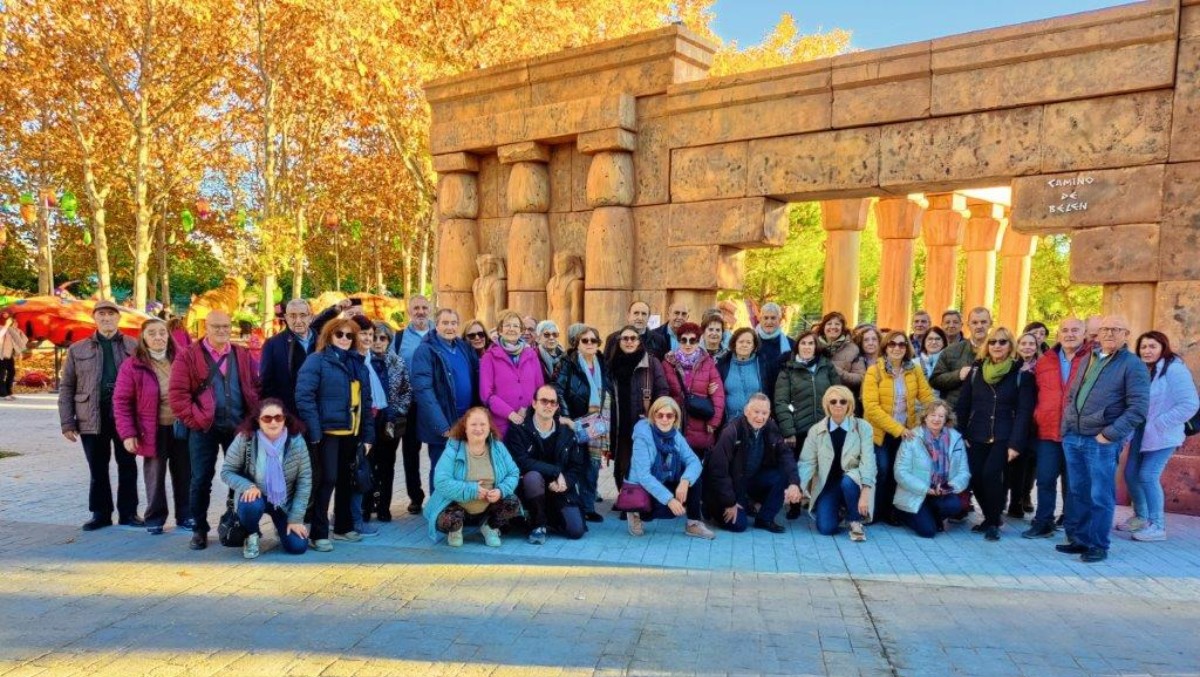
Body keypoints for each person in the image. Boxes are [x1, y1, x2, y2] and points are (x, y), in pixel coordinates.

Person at [1057, 315, 1149, 562]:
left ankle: (1098, 545)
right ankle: (1080, 539)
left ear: (1126, 334)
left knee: (1101, 495)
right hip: (1074, 436)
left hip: (1101, 441)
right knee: (1078, 492)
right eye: (1105, 329)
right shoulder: (1090, 357)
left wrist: (1110, 434)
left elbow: (1139, 408)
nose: (1108, 333)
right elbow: (1072, 394)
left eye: (1115, 329)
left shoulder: (1133, 365)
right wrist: (1066, 425)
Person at [169, 310, 261, 550]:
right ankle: (199, 528)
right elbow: (178, 396)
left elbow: (255, 387)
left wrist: (251, 419)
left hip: (237, 426)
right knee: (200, 479)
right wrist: (196, 420)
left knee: (243, 478)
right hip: (204, 428)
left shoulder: (241, 354)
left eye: (226, 326)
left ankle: (243, 523)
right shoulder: (188, 356)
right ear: (205, 328)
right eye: (216, 326)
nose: (222, 331)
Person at [59, 300, 142, 531]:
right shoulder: (78, 349)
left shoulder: (134, 346)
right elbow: (66, 386)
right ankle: (100, 514)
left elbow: (145, 384)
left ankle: (129, 513)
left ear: (118, 318)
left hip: (125, 416)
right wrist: (67, 422)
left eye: (111, 314)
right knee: (97, 467)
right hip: (90, 416)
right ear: (94, 319)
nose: (106, 318)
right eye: (101, 314)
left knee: (127, 464)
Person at [294, 317, 375, 551]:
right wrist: (315, 431)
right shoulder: (316, 361)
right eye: (340, 334)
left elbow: (365, 403)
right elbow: (304, 397)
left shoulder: (358, 364)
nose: (345, 339)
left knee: (346, 480)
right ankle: (318, 533)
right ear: (329, 335)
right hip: (327, 433)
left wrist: (368, 436)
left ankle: (343, 527)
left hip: (352, 432)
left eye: (350, 335)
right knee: (326, 480)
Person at [954, 327, 1036, 541]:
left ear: (1011, 345)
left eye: (1002, 342)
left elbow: (1024, 411)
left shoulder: (1021, 373)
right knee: (975, 476)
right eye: (993, 342)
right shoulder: (976, 371)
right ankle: (991, 517)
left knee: (991, 475)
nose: (997, 346)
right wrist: (960, 434)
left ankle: (992, 522)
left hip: (1004, 434)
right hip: (976, 433)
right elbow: (963, 405)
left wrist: (1016, 443)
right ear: (987, 346)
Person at [113, 318, 192, 535]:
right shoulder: (133, 365)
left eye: (162, 333)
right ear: (143, 338)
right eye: (152, 334)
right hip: (152, 429)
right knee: (154, 476)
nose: (158, 337)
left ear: (169, 335)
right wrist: (128, 433)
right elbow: (121, 401)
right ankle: (155, 518)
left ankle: (186, 516)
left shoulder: (182, 359)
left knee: (185, 474)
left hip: (181, 428)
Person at [1121, 331, 1199, 542]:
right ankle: (1141, 517)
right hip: (1140, 432)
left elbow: (1190, 404)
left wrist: (1159, 423)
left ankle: (1157, 526)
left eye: (1152, 346)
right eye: (1143, 347)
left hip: (1163, 434)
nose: (1147, 351)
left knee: (1147, 476)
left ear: (1162, 347)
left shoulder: (1174, 369)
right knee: (1130, 475)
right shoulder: (1144, 369)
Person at [1023, 318, 1089, 540]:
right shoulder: (1045, 361)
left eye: (1075, 330)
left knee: (1073, 483)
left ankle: (1071, 526)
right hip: (1048, 431)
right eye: (1065, 330)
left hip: (1077, 432)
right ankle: (1043, 522)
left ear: (1084, 333)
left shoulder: (1092, 359)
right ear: (1059, 334)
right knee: (1045, 479)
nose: (1069, 334)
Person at [220, 399, 312, 559]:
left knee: (298, 547)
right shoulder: (245, 438)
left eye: (278, 417)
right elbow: (227, 471)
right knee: (250, 505)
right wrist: (247, 486)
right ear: (258, 420)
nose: (273, 422)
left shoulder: (296, 441)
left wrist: (296, 518)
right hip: (256, 496)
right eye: (267, 418)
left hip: (283, 501)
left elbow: (305, 480)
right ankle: (252, 534)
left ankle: (281, 526)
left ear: (285, 419)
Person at [862, 329, 934, 525]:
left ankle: (894, 512)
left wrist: (937, 415)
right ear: (885, 347)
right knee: (883, 469)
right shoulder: (874, 371)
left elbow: (927, 397)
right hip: (881, 432)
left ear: (907, 348)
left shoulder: (914, 370)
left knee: (899, 471)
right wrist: (898, 429)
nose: (897, 348)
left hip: (906, 430)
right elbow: (871, 407)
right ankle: (876, 510)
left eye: (902, 344)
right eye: (892, 344)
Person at [704, 394, 802, 533]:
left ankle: (765, 518)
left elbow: (785, 454)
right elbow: (718, 471)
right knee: (738, 525)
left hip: (751, 479)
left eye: (764, 413)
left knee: (784, 475)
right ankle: (711, 507)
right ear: (746, 411)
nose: (760, 417)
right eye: (756, 412)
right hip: (731, 483)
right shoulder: (731, 431)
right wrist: (729, 502)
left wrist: (794, 483)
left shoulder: (770, 426)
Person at [504, 384, 589, 543]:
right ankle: (537, 524)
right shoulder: (519, 430)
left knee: (576, 531)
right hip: (530, 489)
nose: (548, 405)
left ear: (557, 406)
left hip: (559, 488)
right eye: (544, 401)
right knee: (533, 477)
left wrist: (566, 483)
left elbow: (576, 466)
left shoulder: (566, 432)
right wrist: (556, 471)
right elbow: (522, 461)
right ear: (534, 403)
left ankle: (551, 516)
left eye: (553, 402)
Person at [426, 407, 521, 547]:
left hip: (488, 506)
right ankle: (456, 530)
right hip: (458, 507)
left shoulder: (498, 447)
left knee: (513, 503)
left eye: (483, 424)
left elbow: (513, 473)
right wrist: (471, 490)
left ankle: (489, 527)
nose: (478, 428)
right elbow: (440, 481)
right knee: (446, 520)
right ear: (465, 427)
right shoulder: (453, 448)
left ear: (489, 427)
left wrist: (500, 490)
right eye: (473, 424)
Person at [621, 397, 713, 539]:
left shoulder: (675, 435)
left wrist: (685, 481)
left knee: (695, 478)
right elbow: (644, 477)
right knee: (665, 510)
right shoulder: (642, 436)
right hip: (642, 486)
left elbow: (694, 461)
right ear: (653, 416)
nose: (665, 419)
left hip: (664, 479)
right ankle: (635, 512)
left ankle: (693, 523)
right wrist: (670, 500)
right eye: (660, 415)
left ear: (675, 417)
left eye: (669, 415)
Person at [411, 308, 480, 494]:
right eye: (445, 323)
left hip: (464, 419)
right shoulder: (426, 351)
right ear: (437, 325)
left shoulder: (463, 347)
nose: (450, 327)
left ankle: (457, 508)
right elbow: (424, 391)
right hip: (443, 421)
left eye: (453, 323)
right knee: (442, 468)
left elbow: (476, 374)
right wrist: (442, 426)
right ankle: (439, 512)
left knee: (461, 467)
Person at [798, 386, 876, 541]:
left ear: (849, 404)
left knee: (847, 482)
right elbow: (806, 462)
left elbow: (869, 462)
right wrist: (799, 487)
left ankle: (855, 521)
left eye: (843, 401)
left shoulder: (863, 427)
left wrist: (866, 493)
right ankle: (841, 509)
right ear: (827, 405)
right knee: (826, 529)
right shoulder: (816, 430)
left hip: (854, 482)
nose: (838, 405)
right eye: (833, 401)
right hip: (828, 483)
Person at [555, 325, 613, 523]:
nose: (589, 344)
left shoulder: (602, 362)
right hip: (575, 422)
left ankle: (588, 507)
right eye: (585, 340)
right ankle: (573, 506)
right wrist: (566, 417)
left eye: (593, 340)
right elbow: (559, 390)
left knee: (592, 466)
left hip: (597, 424)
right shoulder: (568, 363)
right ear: (577, 343)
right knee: (575, 465)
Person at [893, 399, 971, 538]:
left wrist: (949, 487)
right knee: (928, 532)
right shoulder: (912, 437)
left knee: (954, 505)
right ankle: (904, 514)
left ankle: (930, 517)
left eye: (941, 416)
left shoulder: (956, 438)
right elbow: (900, 472)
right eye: (933, 415)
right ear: (925, 417)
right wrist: (926, 489)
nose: (936, 419)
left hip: (941, 490)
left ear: (946, 418)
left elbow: (964, 472)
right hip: (917, 492)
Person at [608, 325, 671, 492]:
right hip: (620, 421)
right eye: (625, 338)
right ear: (619, 341)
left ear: (639, 341)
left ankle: (640, 498)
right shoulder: (612, 363)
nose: (629, 341)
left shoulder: (651, 362)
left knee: (642, 460)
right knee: (622, 461)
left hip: (642, 420)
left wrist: (654, 415)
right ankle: (625, 497)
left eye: (633, 338)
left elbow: (662, 389)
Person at [361, 322, 412, 523]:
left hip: (389, 422)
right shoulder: (363, 361)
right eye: (374, 337)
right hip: (368, 421)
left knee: (387, 466)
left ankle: (384, 507)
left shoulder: (397, 362)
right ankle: (366, 507)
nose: (378, 342)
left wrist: (397, 410)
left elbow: (407, 390)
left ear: (389, 341)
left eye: (383, 338)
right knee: (366, 465)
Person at [393, 295, 433, 514]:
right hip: (410, 404)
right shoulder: (398, 339)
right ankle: (415, 497)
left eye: (424, 308)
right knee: (410, 452)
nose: (420, 311)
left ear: (430, 310)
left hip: (434, 403)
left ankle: (438, 494)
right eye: (416, 308)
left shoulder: (439, 334)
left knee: (438, 449)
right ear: (409, 311)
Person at [479, 310, 544, 438]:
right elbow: (486, 395)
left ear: (521, 331)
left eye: (515, 326)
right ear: (500, 330)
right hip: (502, 424)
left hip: (529, 421)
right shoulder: (489, 356)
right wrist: (510, 413)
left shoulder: (531, 354)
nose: (512, 329)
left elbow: (540, 388)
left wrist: (527, 408)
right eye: (507, 325)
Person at [1005, 332, 1043, 519]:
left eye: (1031, 344)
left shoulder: (1042, 367)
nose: (1027, 347)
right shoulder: (1011, 365)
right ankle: (1010, 500)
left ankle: (1020, 499)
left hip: (1035, 421)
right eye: (1024, 343)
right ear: (1017, 346)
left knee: (1028, 464)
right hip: (1014, 419)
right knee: (1013, 463)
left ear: (1036, 347)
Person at [259, 299, 315, 415]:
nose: (298, 321)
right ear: (286, 317)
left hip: (318, 413)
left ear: (310, 317)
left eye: (303, 315)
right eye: (293, 316)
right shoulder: (273, 344)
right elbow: (266, 384)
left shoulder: (323, 341)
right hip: (289, 414)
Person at [930, 307, 992, 407]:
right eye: (975, 323)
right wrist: (958, 375)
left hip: (986, 410)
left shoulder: (1000, 350)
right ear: (968, 325)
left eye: (983, 322)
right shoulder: (951, 350)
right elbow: (935, 380)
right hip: (956, 411)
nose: (979, 326)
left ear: (990, 324)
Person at [717, 328, 775, 424]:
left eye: (748, 342)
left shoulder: (762, 364)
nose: (744, 345)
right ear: (734, 344)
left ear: (754, 346)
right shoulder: (723, 364)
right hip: (730, 422)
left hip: (756, 422)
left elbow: (770, 392)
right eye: (741, 342)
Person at [816, 311, 863, 389]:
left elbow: (860, 377)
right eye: (829, 324)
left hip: (841, 396)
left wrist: (838, 372)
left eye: (837, 324)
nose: (833, 327)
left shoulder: (853, 349)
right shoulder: (813, 345)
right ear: (823, 327)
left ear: (842, 328)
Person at [0, 309, 28, 400]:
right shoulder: (2, 327)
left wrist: (19, 352)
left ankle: (8, 391)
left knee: (12, 373)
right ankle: (3, 393)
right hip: (1, 354)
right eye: (4, 314)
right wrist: (7, 325)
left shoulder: (11, 328)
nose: (6, 316)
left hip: (9, 354)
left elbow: (17, 341)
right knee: (2, 374)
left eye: (7, 314)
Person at [754, 302, 791, 369]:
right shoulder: (751, 342)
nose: (769, 322)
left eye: (773, 318)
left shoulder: (790, 344)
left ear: (779, 320)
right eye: (766, 318)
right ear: (760, 319)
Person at [534, 319, 566, 383]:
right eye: (546, 334)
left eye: (555, 334)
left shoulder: (565, 356)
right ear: (538, 338)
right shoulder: (534, 356)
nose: (551, 337)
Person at [918, 327, 949, 392]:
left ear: (944, 342)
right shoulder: (914, 363)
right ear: (924, 342)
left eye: (937, 339)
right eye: (930, 339)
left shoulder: (950, 363)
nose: (934, 342)